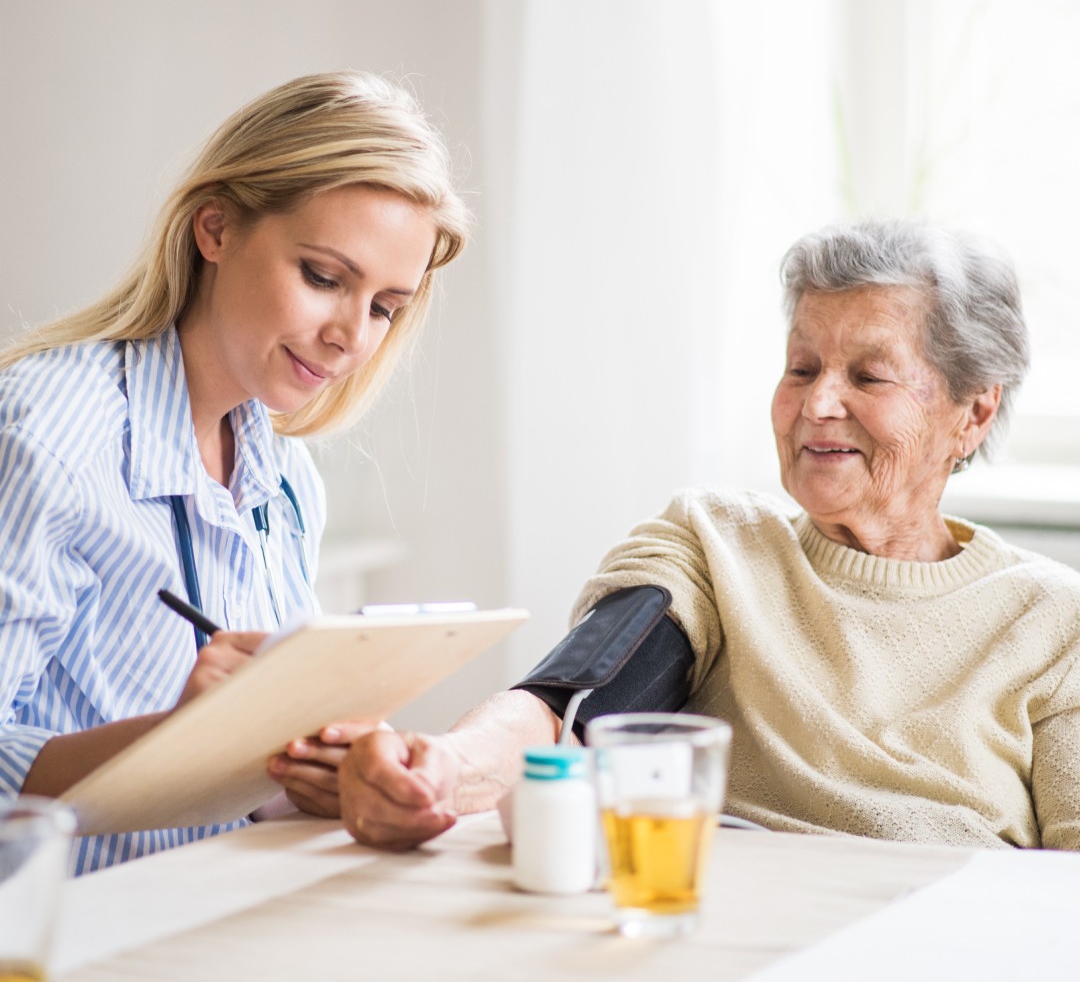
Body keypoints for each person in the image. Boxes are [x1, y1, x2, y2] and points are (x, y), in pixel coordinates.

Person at [334, 217, 1080, 853]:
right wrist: (445, 768)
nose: (818, 402)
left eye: (869, 377)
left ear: (974, 413)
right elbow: (571, 697)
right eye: (802, 366)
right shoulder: (714, 543)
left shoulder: (1051, 622)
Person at [0, 71, 469, 873]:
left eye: (385, 307)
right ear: (214, 228)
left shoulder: (285, 478)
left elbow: (260, 785)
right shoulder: (46, 433)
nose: (352, 338)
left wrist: (339, 771)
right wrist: (179, 744)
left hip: (208, 908)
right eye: (325, 278)